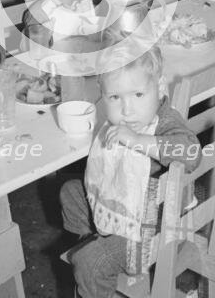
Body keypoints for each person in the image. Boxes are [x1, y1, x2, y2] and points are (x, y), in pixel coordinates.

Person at [59, 42, 201, 298]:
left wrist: (138, 141)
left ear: (158, 90)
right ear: (102, 96)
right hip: (126, 214)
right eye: (115, 98)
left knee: (90, 262)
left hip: (153, 232)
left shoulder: (163, 122)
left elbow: (192, 153)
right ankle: (97, 242)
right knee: (70, 191)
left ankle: (97, 268)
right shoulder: (122, 120)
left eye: (138, 95)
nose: (127, 110)